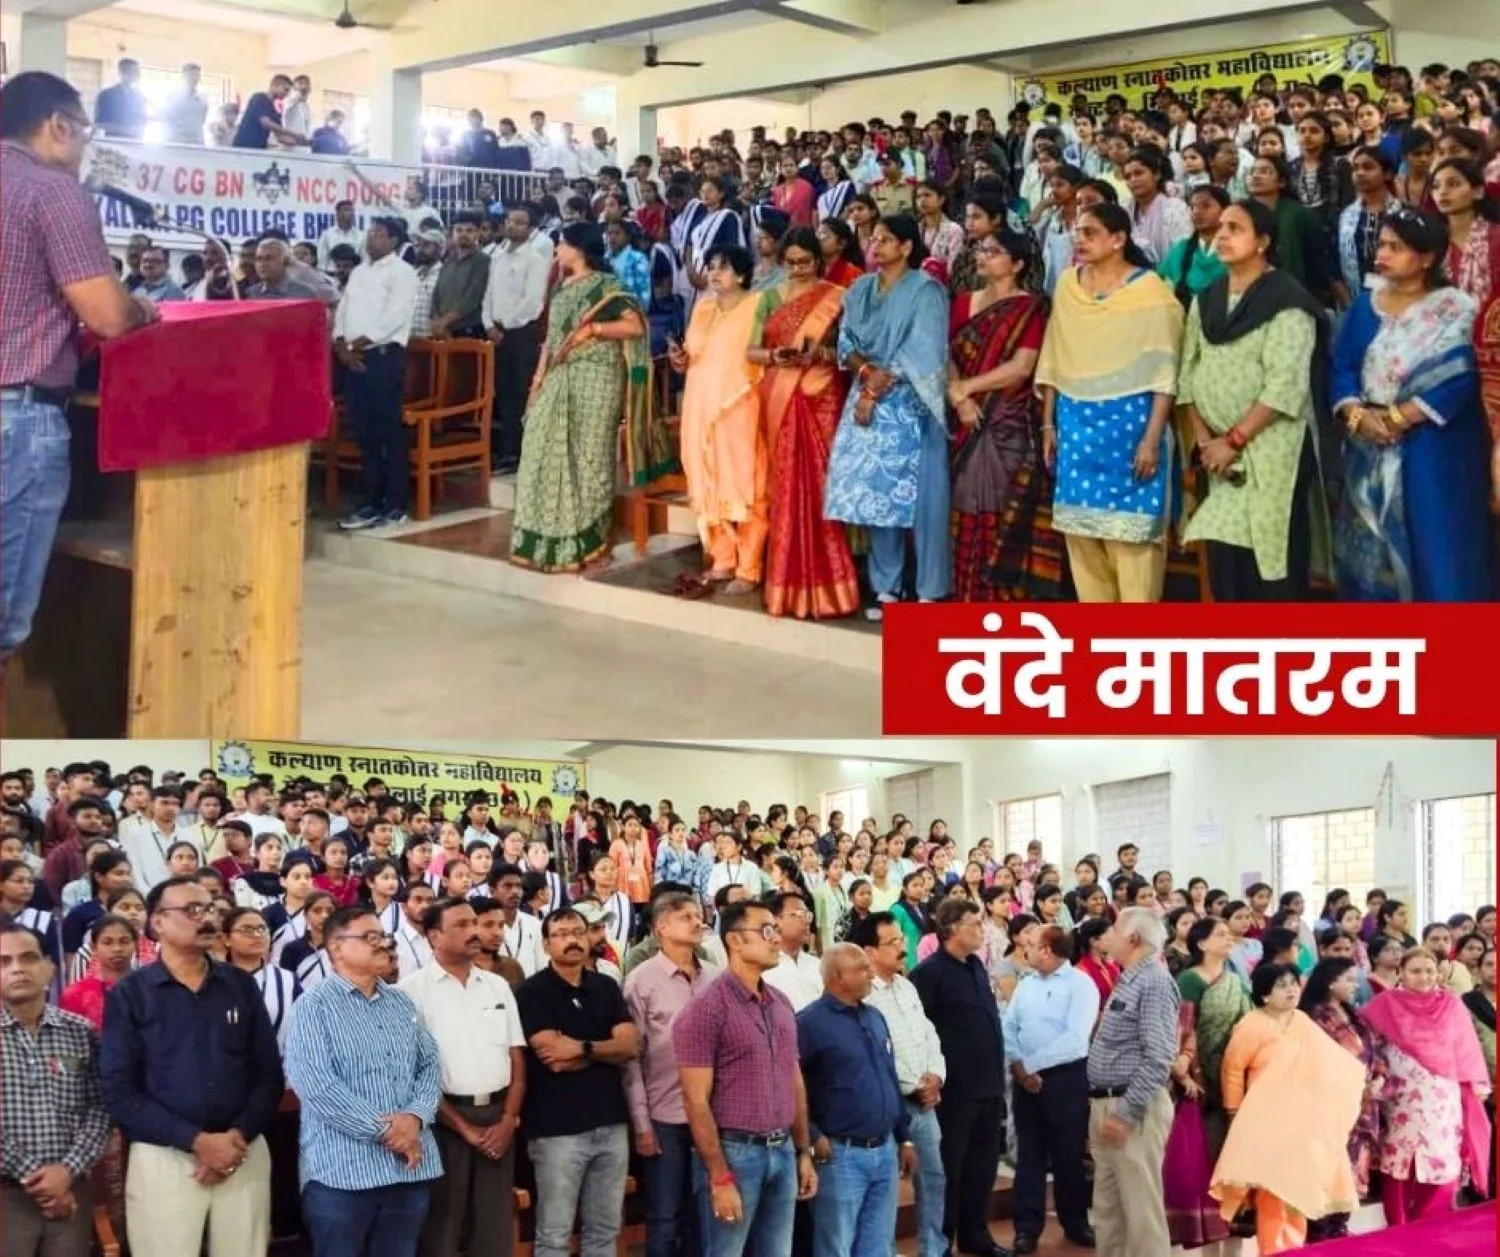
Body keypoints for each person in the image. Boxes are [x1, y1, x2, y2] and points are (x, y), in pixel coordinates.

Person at [0, 72, 158, 662]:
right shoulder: (52, 192)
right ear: (58, 126)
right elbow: (107, 316)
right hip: (15, 419)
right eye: (84, 135)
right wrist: (141, 307)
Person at [98, 876, 283, 1257]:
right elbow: (119, 1090)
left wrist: (236, 1137)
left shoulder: (240, 985)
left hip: (242, 1150)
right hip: (165, 1157)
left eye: (211, 909)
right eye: (193, 910)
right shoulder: (131, 994)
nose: (208, 918)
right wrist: (197, 1142)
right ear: (157, 922)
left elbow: (268, 1074)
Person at [1331, 209, 1495, 599]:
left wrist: (1399, 417)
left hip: (1434, 448)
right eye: (1381, 245)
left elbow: (1459, 374)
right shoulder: (1365, 305)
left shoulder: (1456, 309)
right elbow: (1341, 365)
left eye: (1396, 247)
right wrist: (1355, 414)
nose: (1382, 254)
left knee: (1438, 546)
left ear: (1426, 258)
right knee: (1370, 557)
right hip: (1368, 440)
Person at [1178, 199, 1332, 599]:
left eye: (1235, 228)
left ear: (1263, 241)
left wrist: (1234, 441)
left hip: (1271, 449)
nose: (1222, 236)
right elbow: (1188, 374)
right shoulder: (1206, 298)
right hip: (1217, 454)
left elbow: (1285, 386)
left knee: (1270, 559)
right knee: (1225, 560)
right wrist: (1206, 443)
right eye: (1220, 228)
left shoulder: (1287, 300)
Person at [1035, 202, 1183, 602]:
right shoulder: (1068, 286)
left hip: (1131, 429)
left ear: (1118, 240)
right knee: (1082, 540)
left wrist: (1151, 439)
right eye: (1078, 232)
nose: (1079, 239)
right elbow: (1054, 358)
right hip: (1075, 426)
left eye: (1090, 233)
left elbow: (1164, 375)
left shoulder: (1151, 293)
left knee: (1132, 543)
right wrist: (1048, 424)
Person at [283, 904, 443, 1257]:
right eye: (370, 937)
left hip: (407, 1170)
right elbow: (317, 1086)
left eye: (383, 936)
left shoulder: (400, 1002)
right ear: (337, 947)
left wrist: (415, 1117)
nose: (383, 943)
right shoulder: (313, 1006)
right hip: (343, 1174)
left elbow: (430, 1064)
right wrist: (390, 1132)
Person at [510, 222, 668, 572]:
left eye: (561, 244)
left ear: (579, 248)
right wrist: (537, 382)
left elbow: (635, 326)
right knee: (540, 448)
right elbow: (551, 341)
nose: (556, 250)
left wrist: (594, 329)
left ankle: (591, 545)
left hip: (597, 379)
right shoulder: (560, 286)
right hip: (559, 376)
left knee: (589, 457)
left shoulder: (608, 286)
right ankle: (549, 544)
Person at [672, 897, 817, 1256]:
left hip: (782, 1147)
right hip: (735, 1152)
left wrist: (803, 1150)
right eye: (766, 930)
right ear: (735, 940)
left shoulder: (780, 1003)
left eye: (776, 929)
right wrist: (719, 1176)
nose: (776, 938)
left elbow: (794, 1080)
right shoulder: (706, 1009)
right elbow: (695, 1100)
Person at [825, 216, 951, 618]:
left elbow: (923, 349)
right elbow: (846, 342)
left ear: (907, 247)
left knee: (922, 497)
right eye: (873, 239)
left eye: (885, 239)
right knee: (877, 495)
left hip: (911, 401)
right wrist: (865, 375)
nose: (875, 245)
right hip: (866, 396)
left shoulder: (926, 290)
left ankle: (929, 588)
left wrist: (875, 389)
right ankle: (886, 587)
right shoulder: (860, 289)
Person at [399, 897, 526, 1257]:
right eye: (461, 925)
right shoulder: (409, 993)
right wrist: (464, 1128)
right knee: (443, 1225)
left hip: (498, 1119)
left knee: (495, 1226)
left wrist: (509, 1119)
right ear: (434, 937)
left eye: (474, 923)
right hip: (442, 1122)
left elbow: (517, 1057)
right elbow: (413, 1075)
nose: (473, 932)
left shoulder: (497, 986)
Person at [1210, 962, 1366, 1253]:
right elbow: (1233, 1069)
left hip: (1303, 1123)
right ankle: (1273, 1250)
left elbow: (1331, 1063)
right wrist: (1233, 1112)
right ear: (1265, 993)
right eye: (1282, 985)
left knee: (1298, 1187)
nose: (1292, 989)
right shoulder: (1252, 1024)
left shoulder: (1302, 1021)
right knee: (1273, 1190)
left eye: (1294, 983)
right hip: (1266, 1120)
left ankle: (1294, 1248)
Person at [946, 227, 1063, 601]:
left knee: (1001, 503)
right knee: (963, 500)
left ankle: (1003, 604)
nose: (982, 256)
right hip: (965, 417)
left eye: (993, 251)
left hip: (1006, 421)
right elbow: (947, 355)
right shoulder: (962, 302)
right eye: (981, 250)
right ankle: (967, 596)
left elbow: (1021, 367)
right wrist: (959, 397)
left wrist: (968, 388)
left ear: (1017, 264)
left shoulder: (1030, 308)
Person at [749, 228, 860, 619]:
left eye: (805, 262)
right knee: (785, 485)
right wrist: (774, 356)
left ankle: (831, 585)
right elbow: (751, 350)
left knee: (821, 484)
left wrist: (821, 354)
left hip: (821, 394)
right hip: (780, 393)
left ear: (818, 260)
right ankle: (786, 583)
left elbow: (851, 351)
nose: (797, 269)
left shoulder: (838, 297)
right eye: (791, 262)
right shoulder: (769, 297)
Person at [516, 907, 639, 1257]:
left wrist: (581, 1048)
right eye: (561, 934)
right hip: (557, 1130)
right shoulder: (531, 992)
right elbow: (554, 1059)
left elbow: (630, 1047)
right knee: (555, 1234)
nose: (571, 940)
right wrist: (605, 1051)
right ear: (545, 944)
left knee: (605, 1230)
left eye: (578, 932)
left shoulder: (606, 986)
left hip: (611, 1122)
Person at [797, 943, 918, 1257]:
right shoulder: (809, 1023)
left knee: (878, 1244)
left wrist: (904, 1138)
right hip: (841, 1154)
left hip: (884, 1149)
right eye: (862, 969)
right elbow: (791, 1085)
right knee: (836, 1245)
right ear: (837, 977)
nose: (871, 975)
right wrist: (813, 1134)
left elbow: (889, 1077)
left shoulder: (874, 1016)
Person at [0, 923, 111, 1257]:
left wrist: (65, 1172)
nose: (17, 969)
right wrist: (39, 1180)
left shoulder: (81, 1032)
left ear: (50, 967)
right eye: (4, 961)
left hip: (71, 1190)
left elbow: (101, 1108)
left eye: (28, 958)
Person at [908, 897, 1010, 1257]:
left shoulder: (976, 967)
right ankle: (942, 1241)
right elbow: (918, 1031)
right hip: (954, 1092)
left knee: (982, 1168)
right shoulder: (929, 974)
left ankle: (975, 1234)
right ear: (952, 928)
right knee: (950, 1169)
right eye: (975, 923)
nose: (982, 930)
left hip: (988, 1086)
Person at [1362, 946, 1492, 1223]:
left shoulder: (1451, 1004)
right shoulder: (1384, 1004)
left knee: (1440, 1159)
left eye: (1429, 971)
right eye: (1416, 971)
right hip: (1400, 1098)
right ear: (1401, 972)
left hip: (1442, 1098)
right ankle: (1398, 1226)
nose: (1424, 977)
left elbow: (1466, 1048)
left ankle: (1431, 1226)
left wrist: (1476, 1087)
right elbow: (1369, 1046)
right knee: (1400, 1161)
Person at [671, 244, 769, 597]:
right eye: (711, 266)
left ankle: (749, 567)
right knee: (705, 478)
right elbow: (694, 353)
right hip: (699, 404)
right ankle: (722, 559)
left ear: (741, 274)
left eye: (723, 267)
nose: (714, 273)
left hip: (738, 405)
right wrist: (680, 360)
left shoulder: (758, 304)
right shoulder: (702, 307)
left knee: (744, 483)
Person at [624, 892, 718, 1257]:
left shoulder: (715, 977)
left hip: (713, 1112)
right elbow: (632, 1058)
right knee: (665, 1217)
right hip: (666, 1113)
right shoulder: (641, 981)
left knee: (706, 1213)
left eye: (698, 915)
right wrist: (641, 1123)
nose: (697, 922)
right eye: (686, 917)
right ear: (661, 927)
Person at [1085, 907, 1179, 1257]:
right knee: (1109, 1210)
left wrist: (1125, 1113)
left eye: (1114, 929)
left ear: (1133, 938)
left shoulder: (1154, 982)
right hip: (1106, 1103)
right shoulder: (1128, 977)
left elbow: (1159, 1056)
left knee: (1141, 1212)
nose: (1107, 936)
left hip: (1132, 1109)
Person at [1000, 926, 1099, 1252]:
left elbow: (1076, 1039)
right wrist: (1017, 1063)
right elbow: (1009, 1026)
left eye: (1031, 945)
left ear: (1046, 950)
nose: (1025, 950)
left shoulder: (1080, 984)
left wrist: (1031, 1065)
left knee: (1067, 1155)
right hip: (1024, 1078)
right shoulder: (1026, 985)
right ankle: (1027, 1228)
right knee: (1028, 1155)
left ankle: (1075, 1223)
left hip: (1064, 1078)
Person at [854, 912, 947, 1257]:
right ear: (869, 951)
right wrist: (912, 1083)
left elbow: (928, 1033)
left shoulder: (906, 986)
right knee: (886, 1188)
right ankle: (886, 1251)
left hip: (925, 1103)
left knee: (933, 1179)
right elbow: (874, 1056)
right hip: (889, 1106)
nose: (902, 947)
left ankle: (933, 1249)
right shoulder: (864, 996)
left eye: (901, 939)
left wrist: (936, 1076)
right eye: (892, 942)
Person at [334, 216, 421, 531]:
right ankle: (370, 501)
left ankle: (395, 504)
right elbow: (343, 310)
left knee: (388, 433)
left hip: (382, 359)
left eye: (379, 234)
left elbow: (393, 317)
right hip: (353, 360)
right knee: (364, 433)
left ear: (394, 240)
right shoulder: (359, 272)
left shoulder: (403, 272)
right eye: (370, 232)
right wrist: (341, 346)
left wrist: (357, 345)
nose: (371, 238)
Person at [1299, 958, 1385, 1241]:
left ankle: (1339, 1225)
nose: (1355, 985)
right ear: (1329, 982)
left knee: (1355, 1164)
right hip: (1331, 1105)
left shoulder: (1354, 1015)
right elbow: (1315, 1063)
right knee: (1330, 1165)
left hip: (1364, 1102)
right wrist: (1353, 1085)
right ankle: (1320, 1229)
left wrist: (1378, 1078)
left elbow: (1375, 1051)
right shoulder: (1313, 1018)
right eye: (1348, 979)